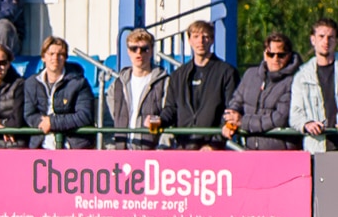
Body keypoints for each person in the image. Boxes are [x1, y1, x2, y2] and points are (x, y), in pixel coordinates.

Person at [153, 20, 238, 150]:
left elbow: (231, 110)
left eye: (205, 36)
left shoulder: (227, 72)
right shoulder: (178, 75)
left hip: (213, 150)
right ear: (189, 40)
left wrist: (215, 144)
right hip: (183, 147)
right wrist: (159, 121)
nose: (200, 41)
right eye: (196, 36)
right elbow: (171, 109)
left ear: (212, 40)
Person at [225, 32, 300, 151]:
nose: (275, 59)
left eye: (281, 55)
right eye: (271, 54)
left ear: (289, 56)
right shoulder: (250, 75)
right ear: (265, 54)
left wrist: (243, 122)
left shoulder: (295, 80)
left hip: (280, 152)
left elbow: (279, 118)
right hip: (248, 149)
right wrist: (230, 122)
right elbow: (236, 102)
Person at [23, 36, 96, 149]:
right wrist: (42, 123)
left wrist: (53, 123)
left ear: (66, 58)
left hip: (73, 146)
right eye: (51, 54)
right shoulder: (31, 83)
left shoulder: (79, 83)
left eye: (60, 54)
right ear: (43, 57)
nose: (55, 58)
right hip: (40, 146)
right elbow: (29, 114)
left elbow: (84, 116)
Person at [105, 29, 168, 150]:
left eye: (144, 49)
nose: (139, 53)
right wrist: (111, 149)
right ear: (128, 51)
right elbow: (109, 121)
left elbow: (168, 119)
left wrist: (161, 151)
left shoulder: (164, 82)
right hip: (121, 152)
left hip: (152, 152)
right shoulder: (117, 85)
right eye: (134, 49)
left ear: (151, 51)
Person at [290, 18, 338, 152]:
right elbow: (295, 114)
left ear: (336, 40)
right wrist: (307, 124)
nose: (326, 41)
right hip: (318, 147)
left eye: (330, 37)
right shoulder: (302, 76)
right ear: (313, 40)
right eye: (321, 36)